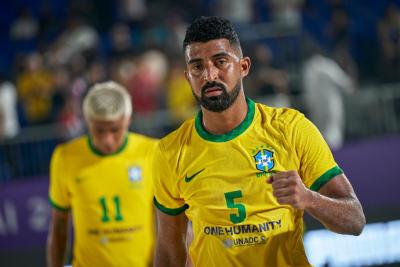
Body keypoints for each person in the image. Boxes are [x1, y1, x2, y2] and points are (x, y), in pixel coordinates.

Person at [152, 16, 365, 267]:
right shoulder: (170, 151)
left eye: (221, 62)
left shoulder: (291, 128)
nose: (209, 75)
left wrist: (309, 199)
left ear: (243, 67)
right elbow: (168, 250)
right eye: (197, 67)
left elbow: (355, 220)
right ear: (188, 76)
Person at [47, 81, 158, 267]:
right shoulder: (65, 157)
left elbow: (170, 222)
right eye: (99, 130)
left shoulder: (152, 152)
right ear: (87, 122)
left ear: (127, 119)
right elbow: (59, 225)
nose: (107, 139)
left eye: (115, 129)